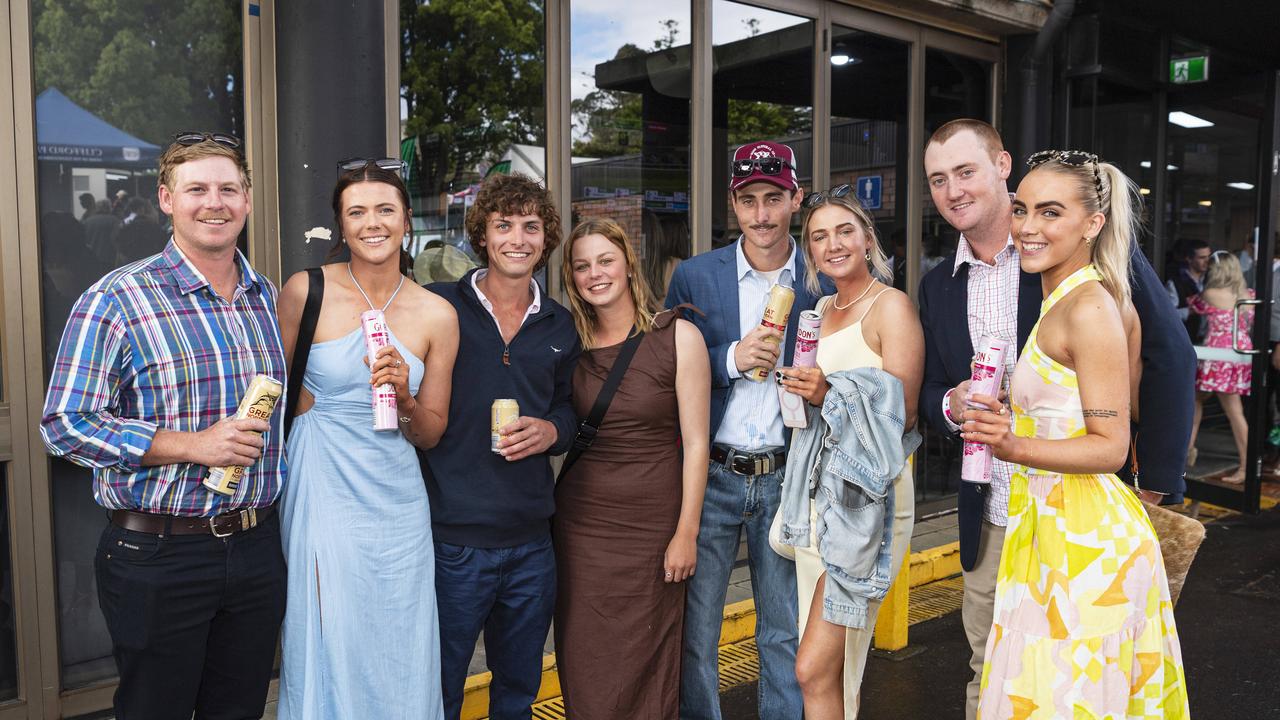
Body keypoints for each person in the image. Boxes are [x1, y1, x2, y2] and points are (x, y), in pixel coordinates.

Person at [918, 120, 1195, 720]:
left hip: (1076, 518)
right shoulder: (938, 283)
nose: (953, 190)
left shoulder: (1078, 269)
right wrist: (953, 404)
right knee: (996, 672)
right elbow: (930, 387)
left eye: (965, 171)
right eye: (938, 179)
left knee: (1072, 688)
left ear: (1000, 166)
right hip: (996, 516)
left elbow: (1168, 354)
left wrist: (1159, 481)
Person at [39, 131, 287, 719]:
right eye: (196, 188)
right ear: (166, 200)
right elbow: (63, 423)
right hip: (156, 553)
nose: (214, 202)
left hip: (255, 547)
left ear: (248, 201)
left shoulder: (268, 299)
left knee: (240, 709)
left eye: (229, 188)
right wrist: (192, 446)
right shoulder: (117, 299)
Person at [276, 160, 459, 719]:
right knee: (329, 630)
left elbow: (430, 433)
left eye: (385, 209)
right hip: (322, 487)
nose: (372, 222)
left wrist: (404, 398)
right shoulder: (304, 291)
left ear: (407, 221)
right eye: (356, 212)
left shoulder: (437, 314)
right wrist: (309, 403)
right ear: (342, 225)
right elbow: (270, 391)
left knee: (399, 635)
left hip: (398, 501)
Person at [665, 139, 829, 720]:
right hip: (712, 474)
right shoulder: (695, 275)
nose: (761, 214)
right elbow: (666, 368)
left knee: (782, 633)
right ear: (733, 205)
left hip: (788, 474)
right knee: (698, 632)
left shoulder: (822, 279)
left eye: (774, 198)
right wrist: (730, 357)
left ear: (795, 199)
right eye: (749, 200)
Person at [424, 172, 581, 720]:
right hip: (453, 544)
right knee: (438, 687)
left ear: (546, 238)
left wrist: (552, 432)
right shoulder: (440, 307)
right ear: (483, 235)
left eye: (531, 226)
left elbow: (570, 409)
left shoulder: (561, 324)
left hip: (532, 546)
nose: (518, 237)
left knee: (517, 691)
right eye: (504, 224)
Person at [553, 217, 710, 718]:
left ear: (628, 264)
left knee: (650, 658)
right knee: (585, 660)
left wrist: (686, 532)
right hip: (581, 528)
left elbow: (698, 443)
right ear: (571, 278)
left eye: (605, 261)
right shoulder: (568, 345)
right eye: (581, 266)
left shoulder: (678, 336)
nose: (595, 274)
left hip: (652, 526)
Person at [777, 189, 923, 718]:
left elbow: (903, 412)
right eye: (819, 236)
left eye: (844, 231)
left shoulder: (892, 305)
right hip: (818, 499)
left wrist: (827, 392)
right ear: (810, 252)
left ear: (867, 239)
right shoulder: (819, 310)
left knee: (814, 666)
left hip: (866, 504)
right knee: (829, 670)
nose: (833, 244)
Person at [1186, 250, 1254, 483]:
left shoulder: (1210, 294)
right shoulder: (1247, 295)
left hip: (1218, 353)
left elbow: (1191, 304)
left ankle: (1245, 468)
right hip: (1239, 351)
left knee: (1227, 410)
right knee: (1203, 400)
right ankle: (1189, 449)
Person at [1168, 238, 1210, 341]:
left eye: (1209, 257)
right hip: (1186, 341)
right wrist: (1189, 311)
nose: (1207, 261)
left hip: (1208, 342)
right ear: (1189, 259)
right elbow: (1167, 315)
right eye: (1202, 257)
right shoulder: (1175, 283)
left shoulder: (1212, 281)